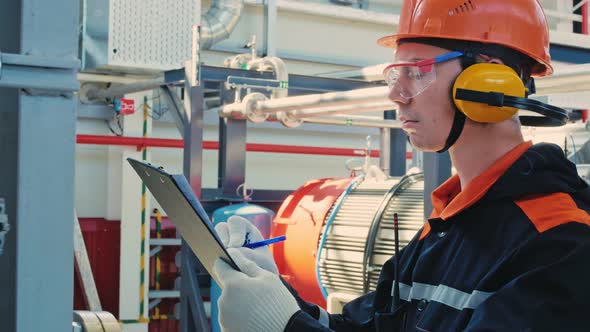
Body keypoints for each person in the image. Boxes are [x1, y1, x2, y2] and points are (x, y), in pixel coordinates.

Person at [212, 0, 590, 331]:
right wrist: (278, 296)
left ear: (492, 82)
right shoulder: (447, 226)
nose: (395, 93)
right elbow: (368, 326)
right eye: (396, 73)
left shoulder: (560, 242)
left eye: (419, 70)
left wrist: (287, 329)